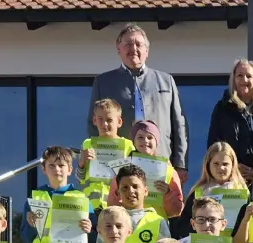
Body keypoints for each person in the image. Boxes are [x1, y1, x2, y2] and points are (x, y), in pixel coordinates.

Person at [89, 24, 188, 171]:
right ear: (118, 49)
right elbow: (93, 125)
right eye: (128, 44)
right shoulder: (103, 82)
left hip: (160, 163)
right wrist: (98, 163)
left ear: (146, 51)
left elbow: (179, 125)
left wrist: (180, 165)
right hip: (118, 163)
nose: (133, 49)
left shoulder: (166, 80)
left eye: (138, 44)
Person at [207, 59, 253, 190]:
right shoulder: (222, 108)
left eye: (249, 76)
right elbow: (213, 146)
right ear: (233, 79)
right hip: (231, 181)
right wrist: (233, 165)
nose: (244, 80)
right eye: (239, 75)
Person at [122, 119, 185, 219]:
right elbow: (113, 200)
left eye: (150, 137)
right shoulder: (123, 167)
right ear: (133, 141)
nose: (145, 141)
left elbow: (177, 210)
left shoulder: (168, 170)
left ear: (157, 142)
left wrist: (168, 193)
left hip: (157, 223)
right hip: (128, 221)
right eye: (140, 137)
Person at [77, 98, 135, 204]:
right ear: (94, 120)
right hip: (90, 204)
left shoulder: (128, 146)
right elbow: (80, 178)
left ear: (119, 122)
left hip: (116, 202)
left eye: (109, 120)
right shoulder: (87, 144)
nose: (104, 124)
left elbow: (134, 177)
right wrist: (81, 163)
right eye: (100, 119)